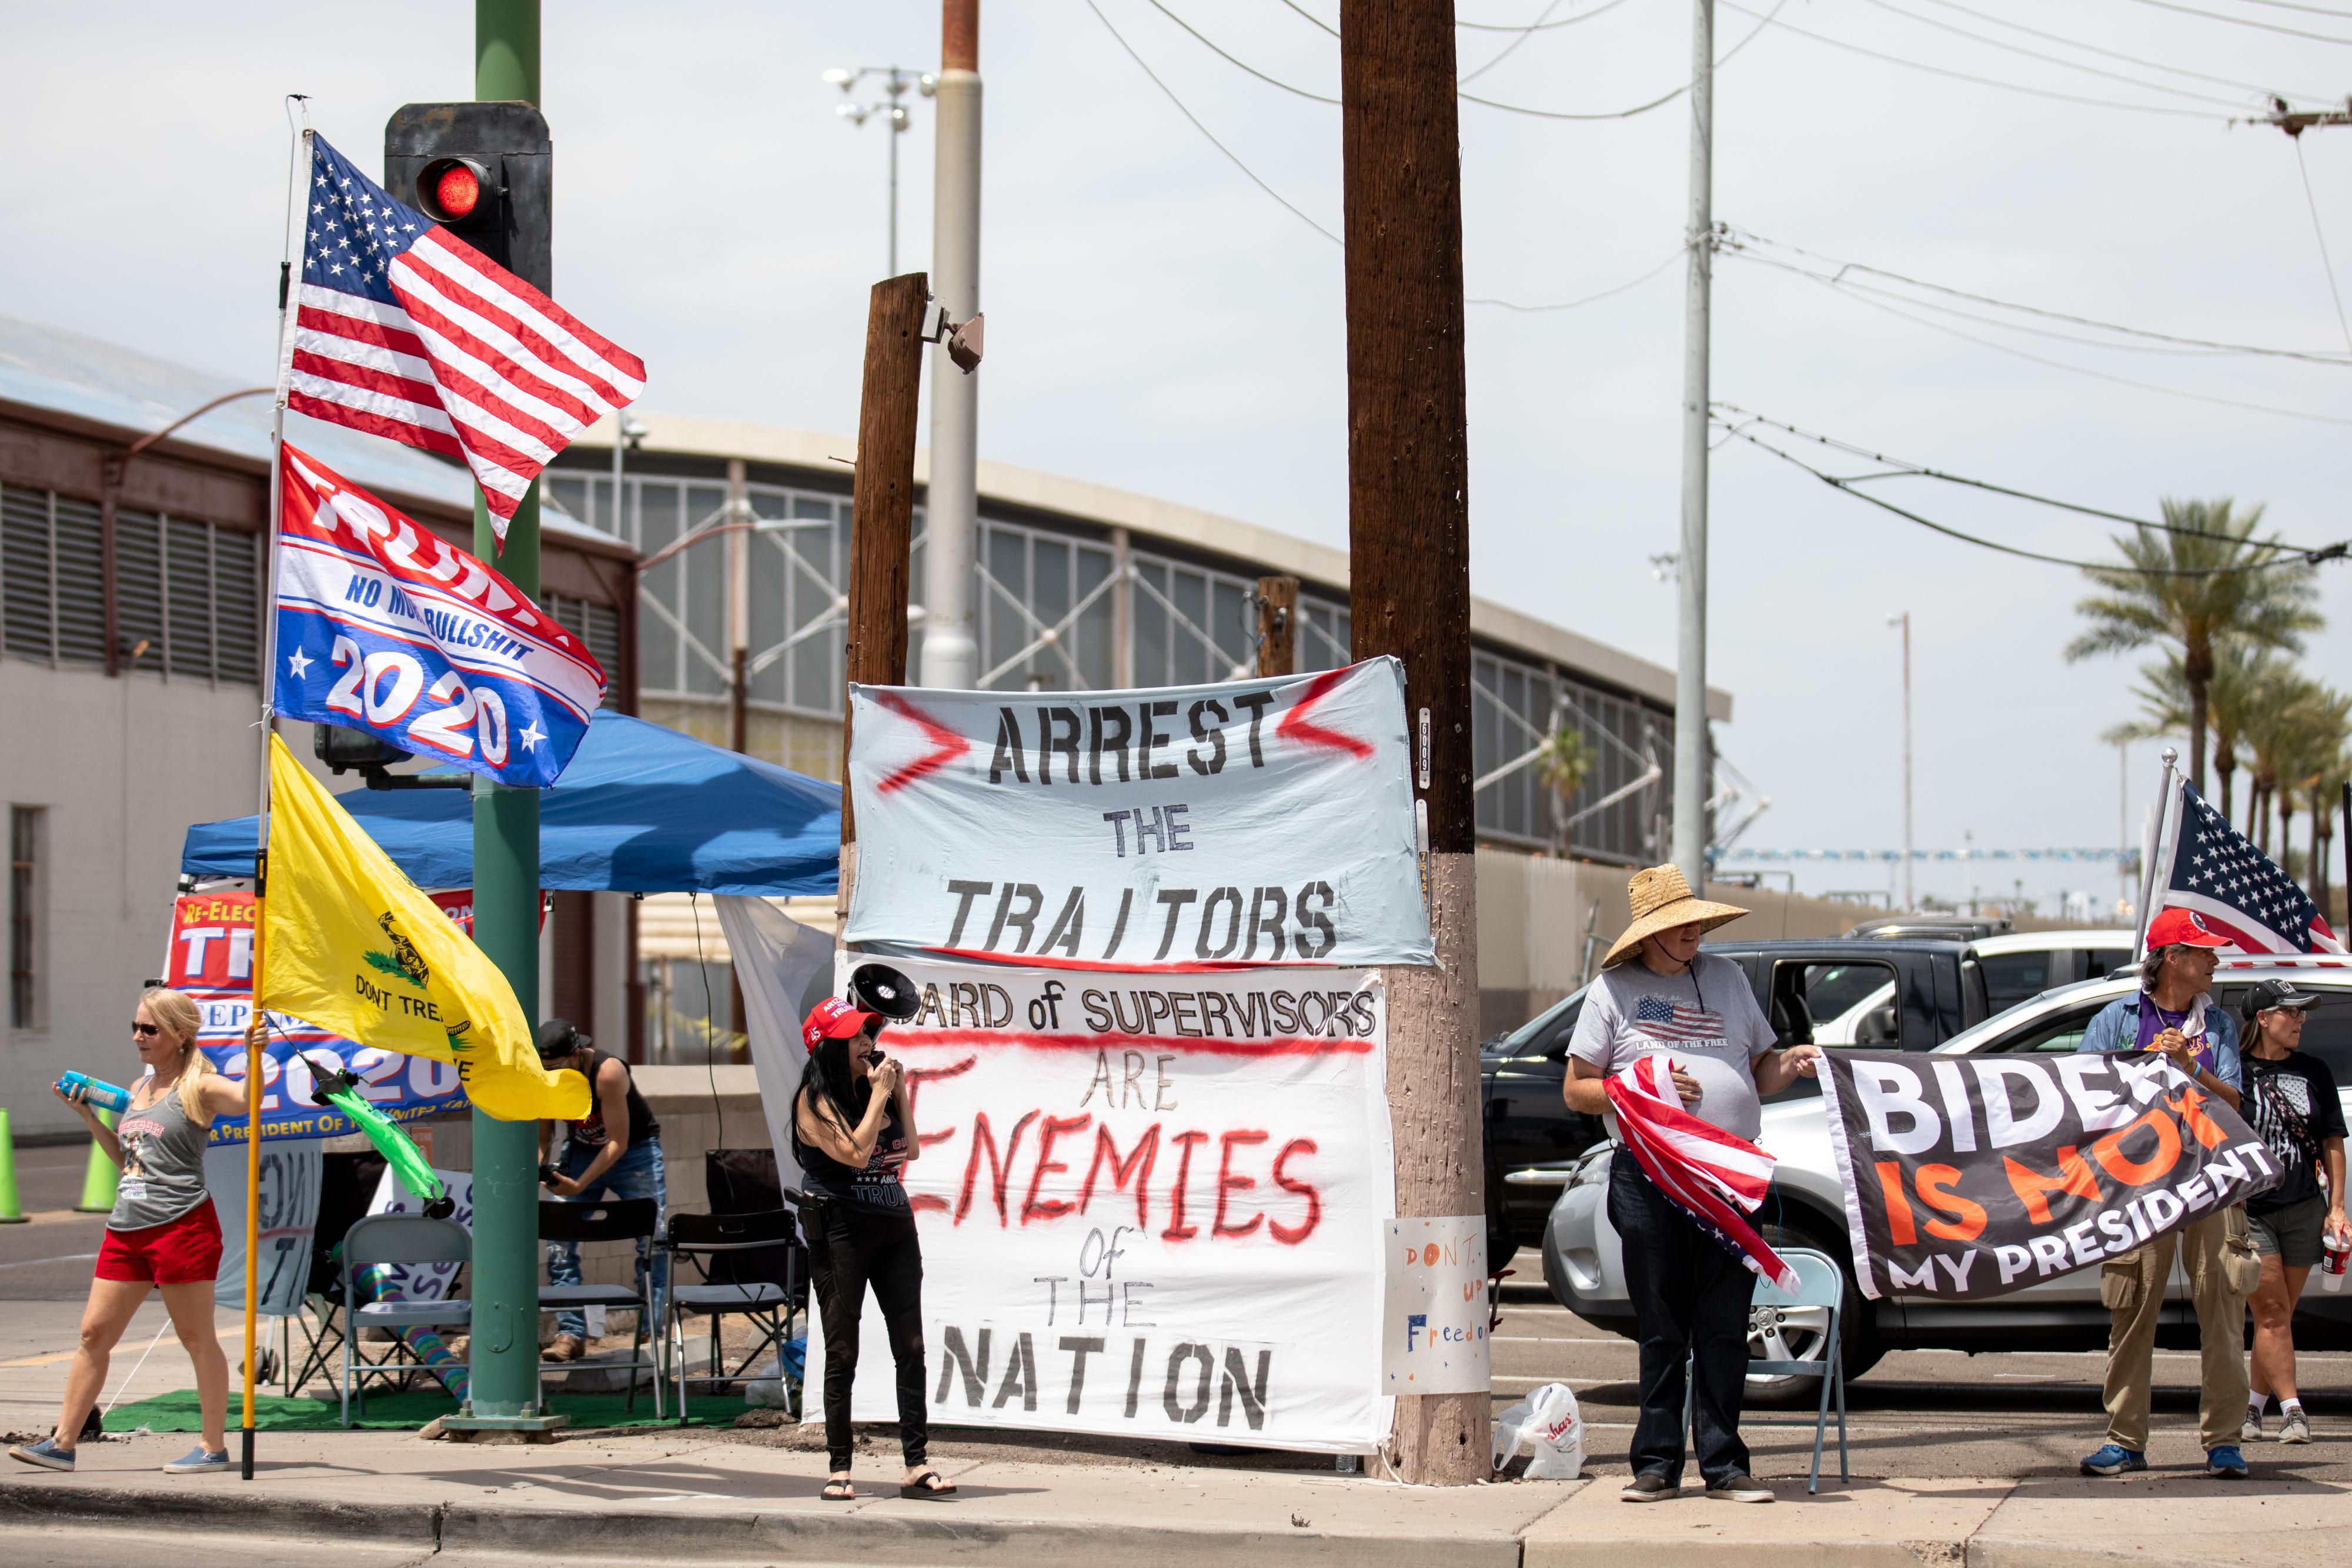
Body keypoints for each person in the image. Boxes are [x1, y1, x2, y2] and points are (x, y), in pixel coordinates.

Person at [1563, 866, 1820, 1505]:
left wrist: (1788, 1063)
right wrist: (1641, 1085)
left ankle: (1726, 1467)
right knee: (1662, 1325)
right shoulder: (1613, 991)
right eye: (1680, 926)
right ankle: (1654, 1464)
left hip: (1729, 1177)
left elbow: (1758, 1072)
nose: (1693, 933)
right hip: (1649, 1178)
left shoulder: (1729, 980)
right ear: (1649, 935)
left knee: (1725, 1325)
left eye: (1697, 923)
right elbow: (1577, 1090)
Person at [9, 989, 248, 1475]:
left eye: (150, 1029)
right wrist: (88, 1116)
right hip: (127, 1227)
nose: (138, 1037)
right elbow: (130, 1164)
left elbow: (247, 1100)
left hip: (181, 1226)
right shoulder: (138, 1088)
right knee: (93, 1333)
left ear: (180, 1036)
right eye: (136, 1027)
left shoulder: (199, 1086)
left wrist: (255, 1052)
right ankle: (63, 1442)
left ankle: (213, 1446)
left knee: (196, 1337)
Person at [2075, 907, 2250, 1480]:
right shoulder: (2115, 1021)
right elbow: (2081, 1097)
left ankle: (2224, 1442)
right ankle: (2124, 1440)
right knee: (2130, 1308)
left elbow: (2232, 1103)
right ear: (2172, 959)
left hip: (2209, 1179)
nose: (2214, 961)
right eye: (2203, 953)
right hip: (2139, 1184)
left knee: (2222, 1310)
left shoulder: (2217, 1026)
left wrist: (2187, 1066)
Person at [795, 994, 953, 1502]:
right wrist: (881, 1095)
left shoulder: (875, 1089)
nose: (870, 1043)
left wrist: (899, 1093)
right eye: (858, 1036)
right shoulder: (814, 1102)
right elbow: (856, 1151)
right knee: (842, 1347)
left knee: (911, 1344)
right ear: (829, 1047)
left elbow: (910, 1148)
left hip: (892, 1223)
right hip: (840, 1227)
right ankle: (840, 1466)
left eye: (871, 1034)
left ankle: (916, 1462)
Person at [2235, 978, 2347, 1446]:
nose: (2301, 1020)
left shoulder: (2314, 1070)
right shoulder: (2235, 1072)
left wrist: (2337, 1207)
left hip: (2305, 1208)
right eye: (2291, 1012)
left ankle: (2252, 1410)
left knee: (2276, 1320)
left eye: (2303, 1013)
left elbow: (2333, 1142)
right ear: (2263, 1018)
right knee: (2274, 1313)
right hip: (2254, 1209)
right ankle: (2294, 1411)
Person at [537, 1018, 666, 1363]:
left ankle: (650, 1325)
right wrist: (541, 1168)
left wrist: (579, 1184)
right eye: (545, 1068)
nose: (553, 1074)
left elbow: (618, 1142)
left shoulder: (608, 1073)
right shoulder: (545, 1075)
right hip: (579, 1150)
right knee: (559, 1240)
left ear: (577, 1055)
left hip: (632, 1150)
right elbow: (544, 1134)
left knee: (653, 1238)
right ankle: (570, 1334)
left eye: (559, 1067)